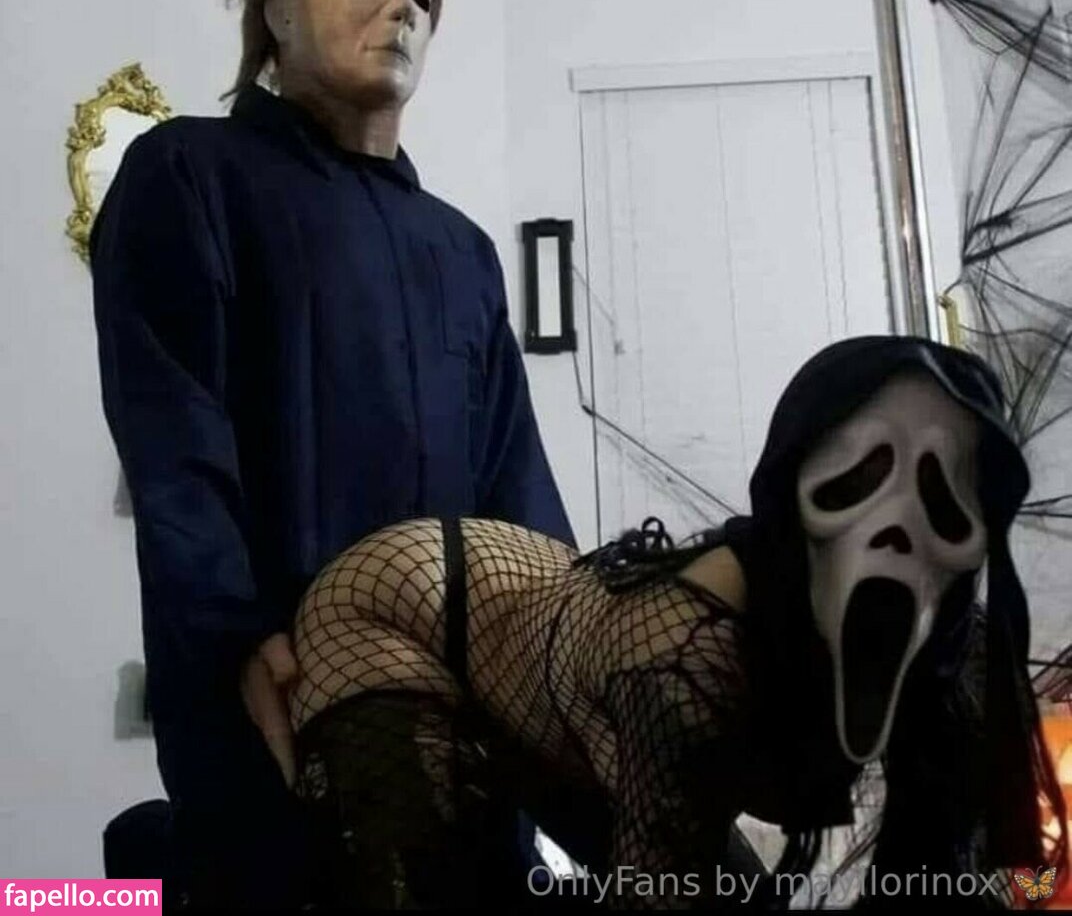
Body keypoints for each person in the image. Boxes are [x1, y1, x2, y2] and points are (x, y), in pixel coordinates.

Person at [90, 0, 573, 910]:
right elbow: (175, 440)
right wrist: (234, 635)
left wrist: (565, 648)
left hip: (470, 719)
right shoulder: (188, 174)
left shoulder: (460, 251)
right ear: (276, 11)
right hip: (277, 704)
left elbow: (515, 483)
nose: (403, 6)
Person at [286, 336, 1067, 909]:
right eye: (857, 477)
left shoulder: (961, 660)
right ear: (788, 488)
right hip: (407, 608)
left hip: (561, 688)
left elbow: (981, 878)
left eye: (945, 494)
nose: (895, 532)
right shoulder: (686, 654)